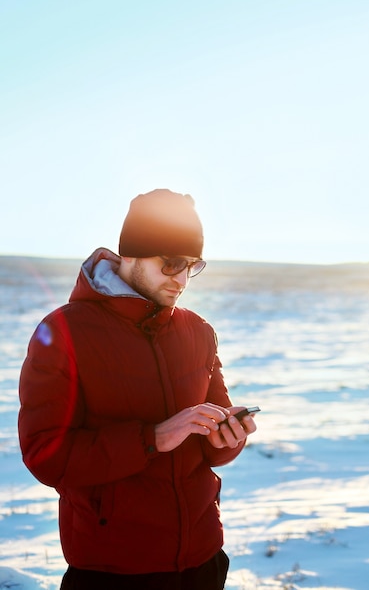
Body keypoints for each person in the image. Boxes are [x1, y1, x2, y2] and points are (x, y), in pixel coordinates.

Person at [18, 189, 257, 590]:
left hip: (203, 560)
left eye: (192, 266)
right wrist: (152, 439)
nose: (181, 280)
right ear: (130, 254)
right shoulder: (64, 332)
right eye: (171, 264)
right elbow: (45, 454)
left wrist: (228, 437)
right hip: (114, 570)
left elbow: (211, 446)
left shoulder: (197, 331)